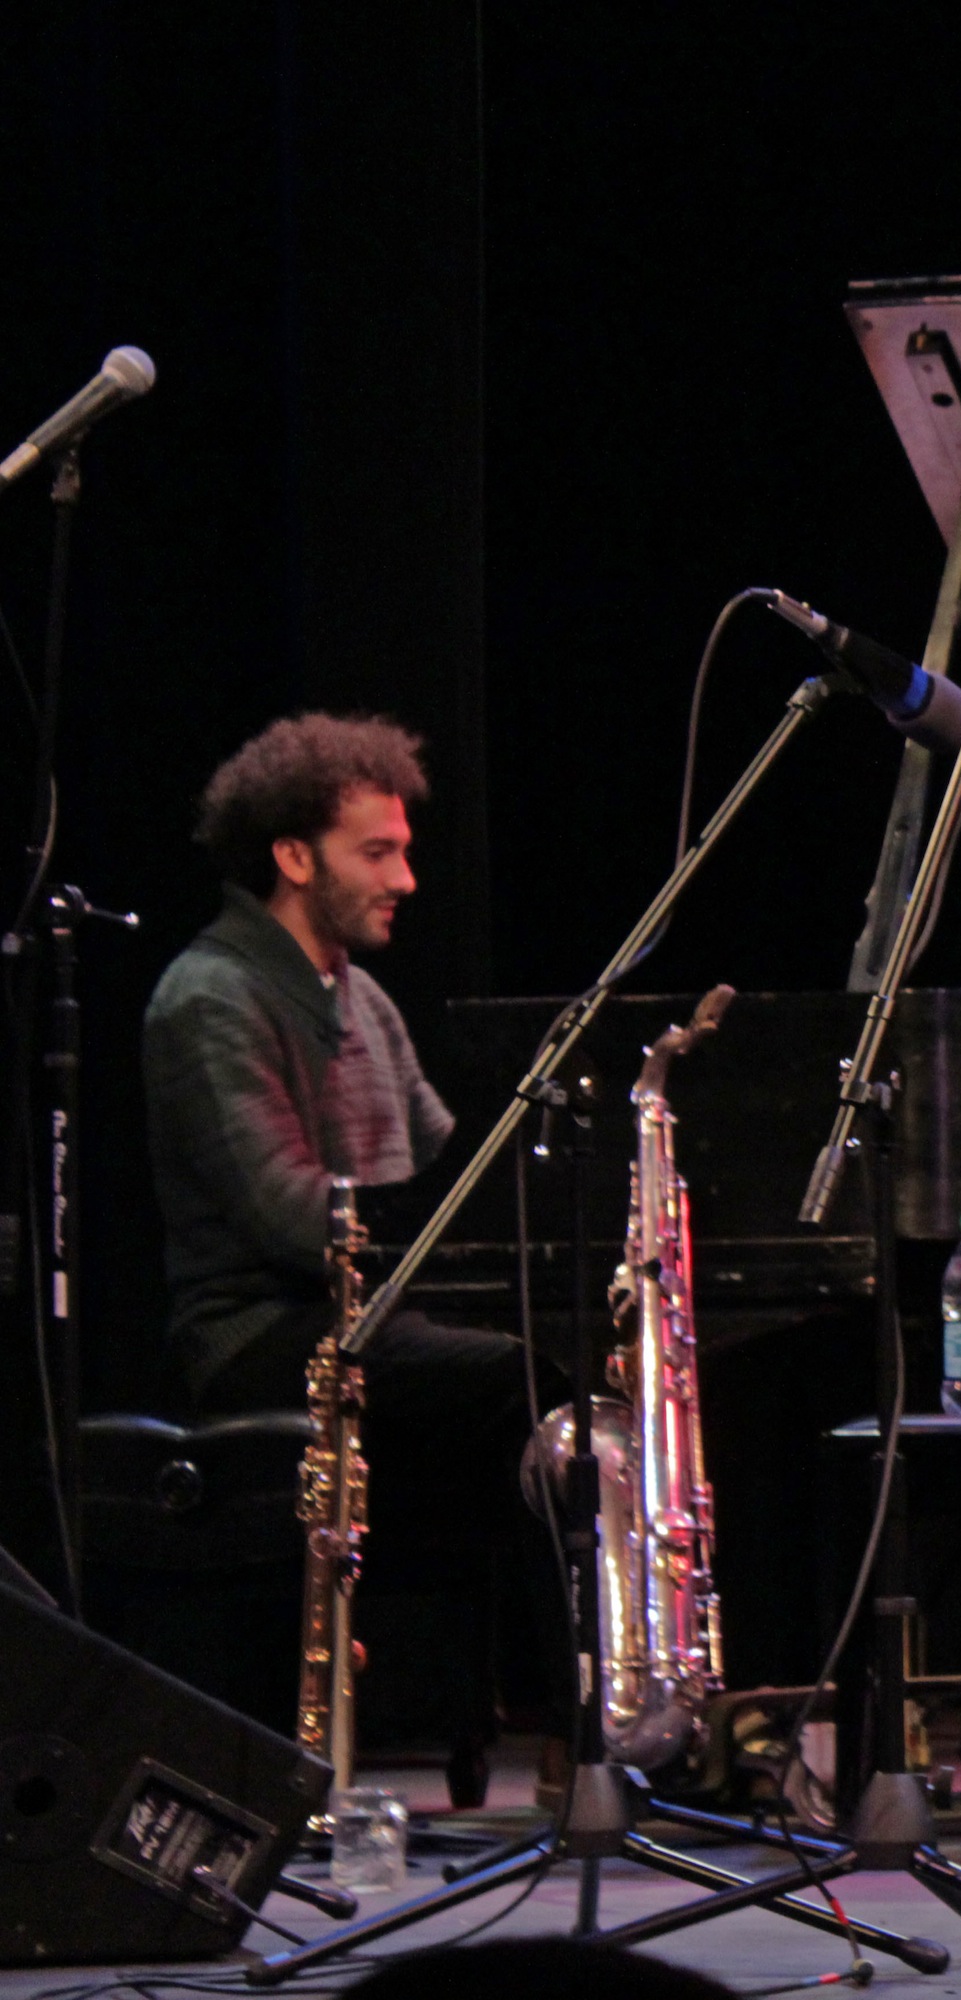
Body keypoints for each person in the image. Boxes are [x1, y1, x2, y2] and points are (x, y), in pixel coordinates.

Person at [145, 714, 533, 1785]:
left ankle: (605, 1719)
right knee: (519, 1374)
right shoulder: (208, 995)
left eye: (404, 849)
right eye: (379, 850)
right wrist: (430, 1223)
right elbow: (283, 1214)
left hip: (369, 1319)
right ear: (293, 855)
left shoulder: (364, 998)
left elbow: (450, 1166)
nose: (406, 875)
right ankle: (580, 1715)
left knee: (580, 1352)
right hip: (260, 1339)